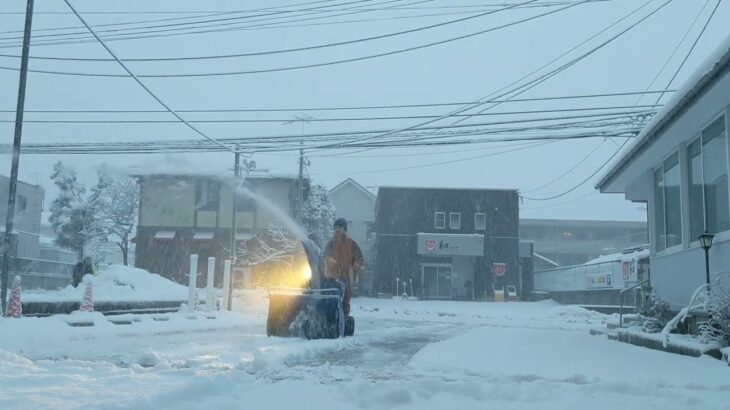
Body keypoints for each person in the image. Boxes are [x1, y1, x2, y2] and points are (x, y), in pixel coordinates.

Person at [324, 218, 363, 318]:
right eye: (336, 227)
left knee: (345, 302)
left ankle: (344, 320)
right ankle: (332, 319)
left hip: (346, 279)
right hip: (331, 279)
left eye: (340, 227)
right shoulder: (330, 245)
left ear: (344, 229)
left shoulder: (351, 245)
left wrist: (353, 269)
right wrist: (333, 264)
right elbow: (326, 257)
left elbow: (359, 259)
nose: (337, 230)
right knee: (331, 301)